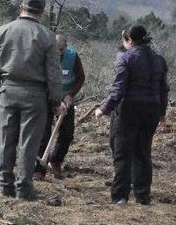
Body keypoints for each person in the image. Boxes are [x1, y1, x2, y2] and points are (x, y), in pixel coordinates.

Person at [0, 0, 63, 200]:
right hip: (35, 94)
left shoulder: (2, 32)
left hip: (8, 90)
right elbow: (54, 73)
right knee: (28, 142)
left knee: (5, 140)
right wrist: (56, 100)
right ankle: (24, 187)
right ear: (41, 11)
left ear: (21, 6)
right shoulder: (47, 37)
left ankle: (4, 184)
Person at [94, 25, 169, 206]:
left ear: (130, 40)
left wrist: (103, 109)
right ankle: (143, 195)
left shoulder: (125, 58)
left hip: (129, 109)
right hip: (151, 109)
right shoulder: (158, 59)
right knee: (143, 151)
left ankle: (120, 195)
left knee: (122, 152)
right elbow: (164, 89)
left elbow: (118, 89)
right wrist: (162, 112)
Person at [34, 34, 86, 177]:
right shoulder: (42, 56)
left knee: (67, 133)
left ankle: (56, 160)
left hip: (65, 98)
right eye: (55, 49)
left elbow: (81, 77)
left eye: (61, 49)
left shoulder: (73, 57)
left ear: (66, 47)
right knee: (44, 134)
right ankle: (39, 169)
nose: (58, 53)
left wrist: (70, 95)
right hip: (46, 98)